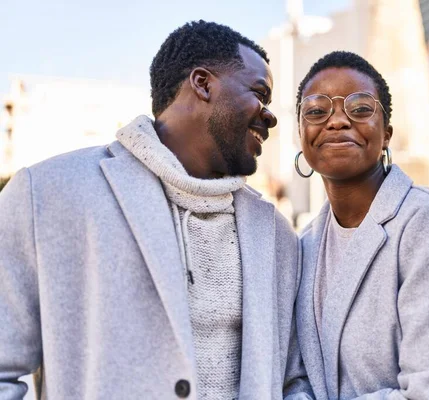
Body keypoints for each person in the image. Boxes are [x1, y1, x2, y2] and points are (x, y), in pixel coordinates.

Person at [0, 20, 306, 400]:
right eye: (260, 93)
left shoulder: (277, 236)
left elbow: (295, 380)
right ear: (203, 83)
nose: (270, 115)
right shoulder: (47, 195)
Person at [292, 51, 429, 399]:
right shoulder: (303, 245)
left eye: (359, 108)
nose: (337, 120)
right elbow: (294, 378)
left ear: (385, 134)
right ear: (301, 134)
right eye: (316, 110)